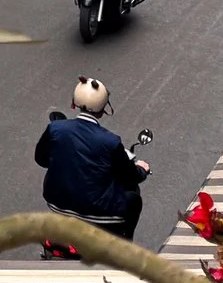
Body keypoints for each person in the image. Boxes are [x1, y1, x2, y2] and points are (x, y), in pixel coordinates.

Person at [35, 77, 148, 240]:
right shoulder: (111, 141)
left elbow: (41, 159)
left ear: (75, 103)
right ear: (103, 109)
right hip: (98, 213)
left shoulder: (56, 128)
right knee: (134, 200)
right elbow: (129, 176)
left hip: (56, 204)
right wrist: (142, 170)